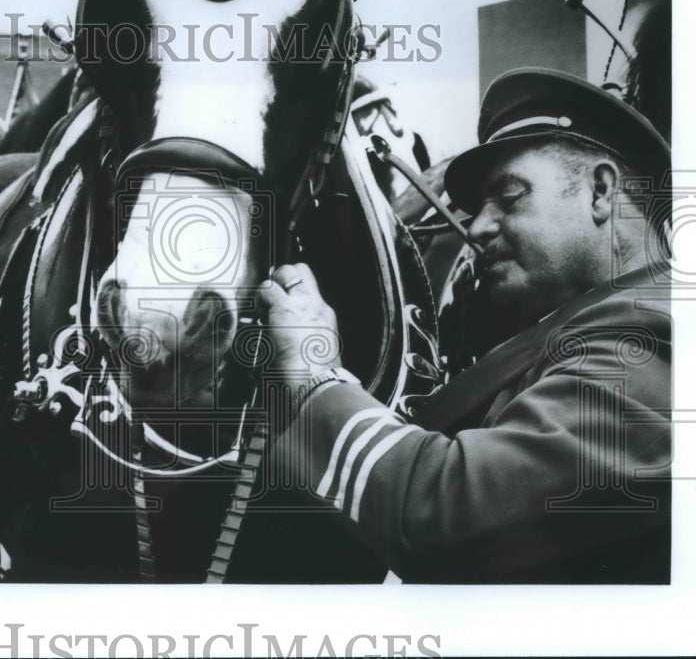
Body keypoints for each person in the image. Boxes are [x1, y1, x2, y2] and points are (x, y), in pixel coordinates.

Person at [260, 67, 672, 583]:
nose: (476, 227)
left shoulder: (656, 334)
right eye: (477, 207)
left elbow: (447, 514)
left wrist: (314, 375)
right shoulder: (596, 320)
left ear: (601, 191)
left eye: (509, 195)